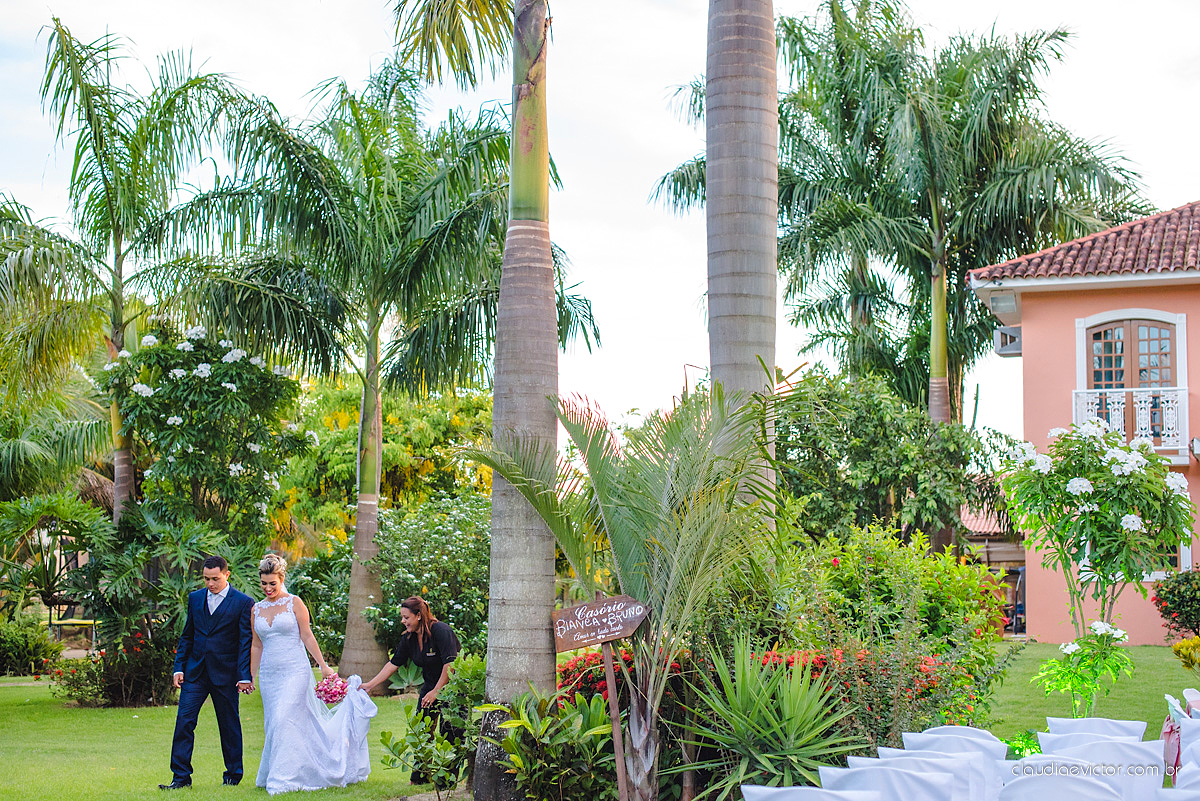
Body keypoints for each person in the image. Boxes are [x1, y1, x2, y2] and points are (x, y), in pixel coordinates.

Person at [252, 553, 377, 795]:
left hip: (295, 672)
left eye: (272, 583)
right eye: (264, 583)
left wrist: (323, 665)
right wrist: (251, 675)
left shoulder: (294, 603)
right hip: (270, 675)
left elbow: (306, 635)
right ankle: (288, 769)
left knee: (282, 717)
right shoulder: (256, 609)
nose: (268, 588)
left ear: (281, 579)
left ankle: (282, 778)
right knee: (276, 723)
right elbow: (257, 645)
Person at [161, 555, 255, 790]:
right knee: (184, 722)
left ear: (226, 575)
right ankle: (180, 778)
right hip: (196, 673)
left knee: (229, 725)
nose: (210, 583)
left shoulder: (243, 602)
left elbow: (245, 642)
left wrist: (244, 675)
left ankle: (233, 775)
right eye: (206, 579)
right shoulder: (195, 599)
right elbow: (187, 636)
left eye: (215, 578)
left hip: (226, 675)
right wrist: (179, 667)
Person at [362, 596, 460, 783]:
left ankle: (447, 781)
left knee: (450, 732)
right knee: (422, 731)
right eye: (402, 617)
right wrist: (370, 685)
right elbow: (394, 663)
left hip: (452, 687)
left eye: (406, 617)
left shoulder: (441, 631)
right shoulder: (410, 639)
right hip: (430, 685)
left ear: (419, 616)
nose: (403, 621)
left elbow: (451, 664)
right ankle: (420, 778)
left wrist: (437, 691)